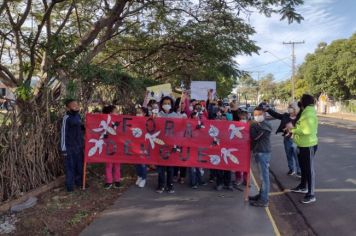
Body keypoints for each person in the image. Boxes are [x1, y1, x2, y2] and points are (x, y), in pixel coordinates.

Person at [287, 94, 318, 204]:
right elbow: (301, 126)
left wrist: (293, 130)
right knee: (304, 168)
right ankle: (302, 186)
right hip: (302, 145)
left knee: (309, 169)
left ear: (304, 102)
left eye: (300, 101)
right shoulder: (305, 112)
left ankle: (311, 194)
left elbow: (306, 131)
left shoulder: (309, 114)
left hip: (308, 145)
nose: (299, 102)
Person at [266, 102, 301, 177]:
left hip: (296, 139)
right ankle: (291, 169)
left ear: (295, 109)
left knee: (296, 156)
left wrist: (293, 129)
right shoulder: (285, 115)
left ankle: (299, 171)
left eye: (291, 107)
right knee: (289, 155)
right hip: (287, 139)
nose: (289, 108)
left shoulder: (300, 117)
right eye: (289, 106)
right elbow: (277, 115)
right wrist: (268, 110)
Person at [249, 107, 272, 207]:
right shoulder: (257, 124)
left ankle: (264, 200)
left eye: (259, 114)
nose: (257, 116)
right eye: (255, 115)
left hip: (263, 152)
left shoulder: (265, 125)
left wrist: (252, 126)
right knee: (262, 177)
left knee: (264, 177)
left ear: (264, 115)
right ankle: (261, 195)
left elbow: (256, 137)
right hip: (258, 151)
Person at [156, 96, 180, 193]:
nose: (166, 105)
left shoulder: (176, 115)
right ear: (161, 105)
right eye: (165, 103)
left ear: (172, 105)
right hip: (160, 144)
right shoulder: (157, 115)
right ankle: (161, 185)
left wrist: (176, 145)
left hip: (171, 145)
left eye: (168, 103)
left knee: (170, 167)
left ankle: (170, 185)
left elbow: (179, 132)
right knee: (160, 167)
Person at [60, 99, 84, 192]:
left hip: (78, 146)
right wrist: (63, 149)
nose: (76, 107)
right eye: (73, 105)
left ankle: (79, 182)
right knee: (70, 167)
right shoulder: (66, 118)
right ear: (68, 108)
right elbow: (63, 133)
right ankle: (70, 186)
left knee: (79, 166)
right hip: (69, 148)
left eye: (77, 105)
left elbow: (79, 127)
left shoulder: (78, 116)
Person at [102, 105, 121, 189]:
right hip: (108, 147)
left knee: (117, 164)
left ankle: (117, 180)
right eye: (116, 112)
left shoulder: (119, 122)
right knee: (109, 165)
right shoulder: (104, 122)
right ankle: (109, 181)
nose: (118, 113)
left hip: (117, 147)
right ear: (110, 113)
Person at [135, 106, 149, 188]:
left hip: (144, 145)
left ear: (144, 113)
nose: (138, 114)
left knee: (143, 163)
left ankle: (144, 178)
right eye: (137, 112)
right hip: (135, 144)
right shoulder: (134, 120)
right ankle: (139, 176)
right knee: (136, 162)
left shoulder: (148, 121)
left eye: (140, 112)